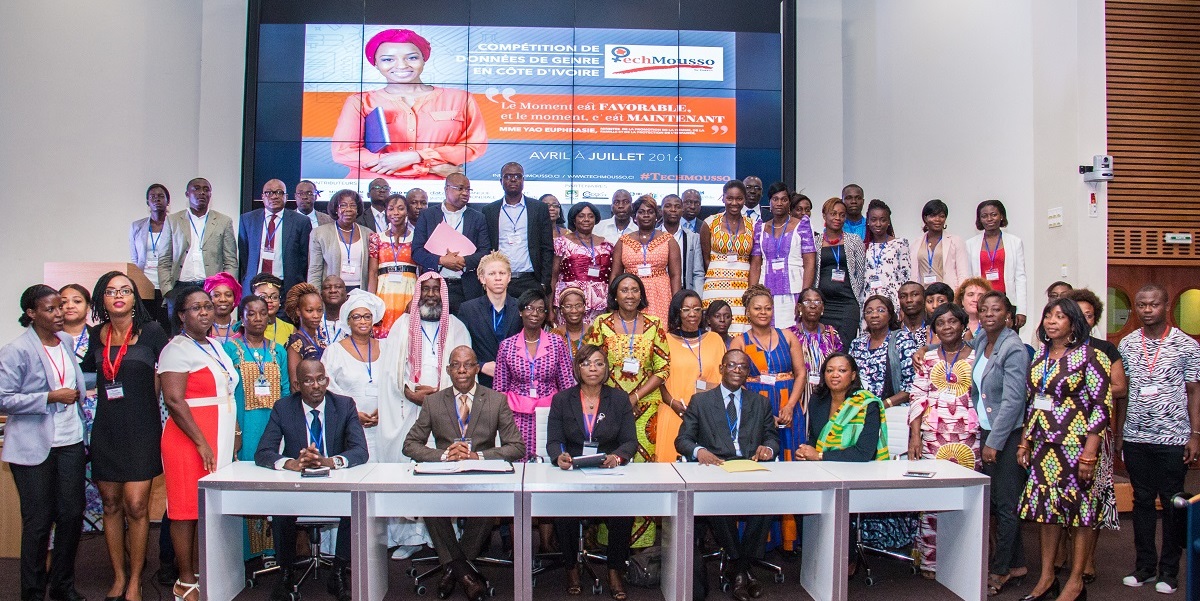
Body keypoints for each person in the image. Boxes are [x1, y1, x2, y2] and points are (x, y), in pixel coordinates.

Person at [403, 346, 524, 601]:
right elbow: (410, 444)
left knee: (489, 503)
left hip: (482, 476)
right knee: (428, 503)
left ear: (477, 368)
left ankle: (453, 569)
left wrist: (477, 456)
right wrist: (445, 455)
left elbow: (517, 446)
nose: (461, 370)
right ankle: (465, 573)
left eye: (467, 365)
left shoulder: (495, 400)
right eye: (455, 365)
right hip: (444, 476)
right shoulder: (434, 402)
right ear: (448, 370)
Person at [1017, 298, 1113, 601]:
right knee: (1047, 511)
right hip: (1044, 446)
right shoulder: (1041, 356)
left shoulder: (1091, 356)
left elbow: (1102, 406)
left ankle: (1075, 582)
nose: (1051, 321)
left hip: (1076, 446)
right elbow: (1034, 403)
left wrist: (1090, 453)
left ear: (1074, 324)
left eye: (1060, 316)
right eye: (1048, 315)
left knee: (1080, 512)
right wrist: (1026, 440)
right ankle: (1047, 578)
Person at [82, 273, 169, 601]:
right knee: (110, 503)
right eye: (110, 291)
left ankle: (136, 577)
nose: (118, 295)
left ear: (135, 299)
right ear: (101, 299)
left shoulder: (153, 332)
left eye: (125, 290)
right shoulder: (95, 335)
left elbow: (170, 369)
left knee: (136, 504)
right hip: (106, 429)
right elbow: (88, 375)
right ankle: (118, 576)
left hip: (143, 429)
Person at [0, 285, 89, 601]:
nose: (60, 313)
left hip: (71, 442)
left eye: (61, 307)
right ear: (31, 313)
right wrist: (49, 397)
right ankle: (33, 592)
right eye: (51, 308)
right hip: (33, 448)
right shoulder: (16, 350)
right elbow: (3, 399)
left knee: (71, 515)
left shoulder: (65, 341)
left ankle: (62, 585)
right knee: (38, 523)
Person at [255, 359, 368, 601]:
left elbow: (360, 451)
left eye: (320, 379)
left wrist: (329, 461)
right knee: (280, 509)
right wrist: (292, 463)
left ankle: (338, 571)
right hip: (299, 488)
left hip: (335, 487)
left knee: (356, 505)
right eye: (308, 380)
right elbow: (263, 452)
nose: (316, 386)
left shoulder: (344, 405)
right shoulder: (283, 408)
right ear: (297, 384)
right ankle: (286, 573)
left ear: (327, 381)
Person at [675, 349, 779, 601]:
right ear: (721, 368)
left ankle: (738, 566)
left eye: (742, 367)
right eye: (731, 365)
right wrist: (699, 452)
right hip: (716, 466)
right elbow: (683, 440)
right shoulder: (701, 401)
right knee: (716, 501)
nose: (737, 370)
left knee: (769, 500)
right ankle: (742, 568)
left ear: (747, 372)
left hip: (749, 466)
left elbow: (772, 437)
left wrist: (769, 448)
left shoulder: (760, 402)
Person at [158, 286, 240, 601]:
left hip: (218, 434)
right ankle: (184, 579)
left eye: (207, 306)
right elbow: (175, 401)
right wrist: (202, 443)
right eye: (196, 308)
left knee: (210, 507)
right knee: (185, 508)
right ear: (181, 315)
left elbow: (227, 394)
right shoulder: (176, 349)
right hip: (189, 438)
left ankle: (209, 571)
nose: (204, 312)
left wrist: (232, 434)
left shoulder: (217, 346)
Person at [1117, 284, 1200, 594]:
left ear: (1166, 307)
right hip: (1136, 436)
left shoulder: (1186, 345)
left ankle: (1170, 570)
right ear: (1136, 309)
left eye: (1153, 304)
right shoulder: (1126, 344)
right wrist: (1120, 432)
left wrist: (1195, 434)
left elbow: (1194, 392)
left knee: (1171, 502)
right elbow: (1121, 394)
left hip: (1174, 437)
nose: (1147, 309)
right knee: (1141, 501)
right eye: (1141, 305)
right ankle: (1145, 567)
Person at [584, 273, 670, 549]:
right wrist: (619, 401)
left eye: (635, 290)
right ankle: (609, 542)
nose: (630, 295)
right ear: (615, 295)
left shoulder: (655, 324)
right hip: (608, 408)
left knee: (643, 472)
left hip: (646, 410)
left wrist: (634, 397)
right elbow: (589, 363)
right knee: (611, 467)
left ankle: (644, 545)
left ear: (641, 294)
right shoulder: (601, 324)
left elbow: (663, 368)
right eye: (624, 290)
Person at [331, 28, 486, 179]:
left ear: (424, 59)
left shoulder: (461, 99)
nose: (401, 65)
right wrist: (427, 167)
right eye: (388, 59)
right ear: (376, 64)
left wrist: (417, 156)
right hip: (374, 190)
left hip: (438, 194)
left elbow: (473, 147)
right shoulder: (360, 102)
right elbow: (344, 151)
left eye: (412, 58)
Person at [547, 343, 638, 599]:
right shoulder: (562, 399)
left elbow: (630, 442)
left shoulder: (619, 399)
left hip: (608, 472)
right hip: (573, 472)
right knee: (563, 509)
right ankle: (571, 568)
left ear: (607, 368)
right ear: (577, 368)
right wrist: (559, 457)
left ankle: (614, 570)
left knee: (623, 510)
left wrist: (617, 457)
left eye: (599, 363)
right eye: (586, 363)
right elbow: (553, 442)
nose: (593, 368)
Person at [796, 352, 889, 577]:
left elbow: (864, 453)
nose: (835, 375)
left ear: (853, 375)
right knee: (799, 499)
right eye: (829, 370)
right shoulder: (818, 400)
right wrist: (804, 451)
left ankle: (845, 556)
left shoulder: (866, 404)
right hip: (821, 469)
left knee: (838, 502)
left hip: (856, 471)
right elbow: (816, 438)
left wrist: (818, 456)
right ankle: (815, 553)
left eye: (842, 370)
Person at [907, 302, 978, 578]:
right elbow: (917, 396)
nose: (947, 327)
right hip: (932, 437)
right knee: (933, 498)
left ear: (963, 325)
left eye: (952, 322)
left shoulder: (978, 356)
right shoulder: (927, 358)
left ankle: (964, 559)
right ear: (933, 329)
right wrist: (914, 436)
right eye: (940, 323)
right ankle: (930, 561)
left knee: (966, 498)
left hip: (968, 439)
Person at [970, 291, 1031, 596]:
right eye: (984, 309)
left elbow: (1013, 401)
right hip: (986, 430)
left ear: (1008, 315)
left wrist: (994, 441)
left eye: (996, 309)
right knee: (995, 502)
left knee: (1007, 506)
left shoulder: (1014, 348)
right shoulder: (983, 341)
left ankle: (1001, 569)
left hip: (1006, 435)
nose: (989, 314)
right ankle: (1018, 563)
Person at [223, 294, 289, 566]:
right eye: (252, 313)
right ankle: (248, 553)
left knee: (273, 485)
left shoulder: (278, 351)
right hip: (244, 428)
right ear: (242, 317)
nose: (258, 318)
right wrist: (234, 429)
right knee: (248, 485)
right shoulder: (230, 349)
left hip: (273, 429)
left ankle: (273, 551)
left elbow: (285, 389)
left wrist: (287, 427)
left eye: (263, 313)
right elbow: (226, 391)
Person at [1063, 288, 1124, 582]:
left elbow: (1120, 387)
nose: (1083, 319)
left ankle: (1087, 559)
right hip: (1061, 433)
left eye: (1089, 314)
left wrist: (1081, 391)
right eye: (1077, 313)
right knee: (1063, 495)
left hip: (1094, 433)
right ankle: (1064, 553)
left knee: (1092, 496)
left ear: (1094, 318)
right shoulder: (1057, 348)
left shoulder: (1104, 349)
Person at [380, 273, 471, 465]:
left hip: (446, 404)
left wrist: (439, 397)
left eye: (436, 289)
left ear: (443, 294)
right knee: (406, 459)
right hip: (408, 403)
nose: (431, 294)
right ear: (417, 293)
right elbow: (389, 370)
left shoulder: (457, 327)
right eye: (425, 289)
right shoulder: (401, 326)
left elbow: (466, 372)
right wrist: (410, 393)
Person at [494, 289, 577, 461]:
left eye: (541, 309)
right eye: (530, 308)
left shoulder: (556, 342)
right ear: (520, 311)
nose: (535, 314)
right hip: (515, 416)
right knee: (518, 461)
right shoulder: (506, 346)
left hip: (550, 414)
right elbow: (499, 389)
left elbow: (567, 382)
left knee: (548, 460)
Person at [730, 285, 809, 458]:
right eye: (757, 308)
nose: (763, 312)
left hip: (788, 404)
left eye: (768, 308)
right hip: (755, 407)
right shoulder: (740, 342)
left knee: (793, 453)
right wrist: (762, 414)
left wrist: (790, 406)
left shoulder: (788, 336)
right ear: (747, 312)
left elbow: (801, 373)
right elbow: (734, 382)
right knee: (760, 454)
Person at [657, 290, 725, 462]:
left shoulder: (715, 339)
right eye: (686, 309)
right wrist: (673, 403)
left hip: (708, 416)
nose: (692, 314)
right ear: (677, 312)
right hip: (674, 412)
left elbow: (724, 379)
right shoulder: (664, 340)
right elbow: (657, 379)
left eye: (697, 309)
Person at [159, 178, 238, 319]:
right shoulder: (173, 220)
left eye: (206, 189)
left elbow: (231, 260)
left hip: (211, 287)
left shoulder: (223, 221)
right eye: (196, 188)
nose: (202, 192)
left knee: (210, 331)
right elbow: (164, 259)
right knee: (179, 333)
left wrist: (226, 288)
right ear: (187, 194)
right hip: (179, 287)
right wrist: (167, 291)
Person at [411, 173, 491, 313]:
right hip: (434, 286)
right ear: (447, 189)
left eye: (468, 189)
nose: (465, 193)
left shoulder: (478, 217)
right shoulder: (428, 215)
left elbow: (485, 252)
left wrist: (463, 261)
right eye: (460, 188)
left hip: (466, 288)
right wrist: (441, 260)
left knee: (465, 332)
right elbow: (416, 252)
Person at [322, 290, 387, 456]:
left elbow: (395, 384)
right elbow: (327, 388)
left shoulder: (386, 347)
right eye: (357, 317)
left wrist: (386, 409)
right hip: (347, 426)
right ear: (348, 321)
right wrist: (351, 414)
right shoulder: (334, 351)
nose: (363, 321)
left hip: (382, 428)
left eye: (367, 316)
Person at [748, 182, 816, 328]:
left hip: (794, 292)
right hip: (766, 293)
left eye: (784, 199)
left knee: (793, 337)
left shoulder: (802, 225)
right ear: (769, 203)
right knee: (766, 335)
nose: (779, 203)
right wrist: (751, 296)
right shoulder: (760, 227)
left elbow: (810, 262)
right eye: (775, 199)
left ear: (789, 203)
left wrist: (804, 298)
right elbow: (755, 264)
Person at [483, 162, 554, 299]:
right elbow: (485, 248)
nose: (513, 179)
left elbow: (547, 248)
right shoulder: (489, 211)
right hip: (499, 279)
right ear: (501, 181)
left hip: (530, 279)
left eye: (518, 176)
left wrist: (544, 282)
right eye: (508, 176)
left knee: (531, 320)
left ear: (523, 180)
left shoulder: (538, 208)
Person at [611, 195, 681, 323]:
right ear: (635, 217)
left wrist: (676, 302)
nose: (646, 215)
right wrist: (612, 300)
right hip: (630, 293)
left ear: (656, 215)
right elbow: (616, 273)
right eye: (641, 212)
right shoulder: (623, 241)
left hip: (660, 293)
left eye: (650, 212)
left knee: (659, 332)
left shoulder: (668, 240)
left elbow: (675, 275)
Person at [238, 179, 312, 297]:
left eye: (279, 192)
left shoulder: (300, 221)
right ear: (262, 197)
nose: (274, 196)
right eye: (269, 193)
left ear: (286, 197)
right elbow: (244, 255)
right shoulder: (247, 219)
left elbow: (304, 258)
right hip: (255, 286)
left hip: (287, 286)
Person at [458, 252, 521, 389]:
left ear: (509, 277)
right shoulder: (468, 309)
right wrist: (479, 365)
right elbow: (460, 347)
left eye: (502, 273)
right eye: (492, 274)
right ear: (482, 278)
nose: (498, 278)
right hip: (480, 381)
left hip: (516, 382)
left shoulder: (521, 308)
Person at [848, 295, 920, 412]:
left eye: (881, 310)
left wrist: (882, 405)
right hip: (861, 411)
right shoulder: (857, 344)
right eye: (869, 312)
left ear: (890, 315)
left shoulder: (902, 339)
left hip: (894, 411)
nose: (874, 315)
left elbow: (913, 385)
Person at [701, 180, 755, 334]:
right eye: (730, 198)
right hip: (715, 286)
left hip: (743, 287)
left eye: (739, 199)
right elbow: (706, 258)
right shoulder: (709, 222)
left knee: (742, 331)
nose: (734, 203)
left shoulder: (753, 224)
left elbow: (754, 259)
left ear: (744, 199)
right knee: (715, 330)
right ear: (723, 198)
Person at [814, 197, 866, 351]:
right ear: (824, 215)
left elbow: (860, 272)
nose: (838, 218)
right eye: (833, 213)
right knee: (824, 348)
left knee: (843, 348)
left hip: (847, 304)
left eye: (842, 215)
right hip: (824, 306)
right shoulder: (815, 242)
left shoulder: (854, 241)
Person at [966, 200, 1028, 329]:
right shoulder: (970, 244)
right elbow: (969, 278)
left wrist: (1022, 310)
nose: (989, 219)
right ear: (980, 220)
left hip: (1007, 300)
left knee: (1007, 341)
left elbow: (1020, 277)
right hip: (981, 302)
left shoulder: (1014, 242)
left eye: (993, 214)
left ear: (1002, 216)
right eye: (984, 216)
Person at [552, 202, 614, 324]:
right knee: (570, 340)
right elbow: (553, 276)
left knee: (595, 340)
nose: (586, 219)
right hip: (570, 304)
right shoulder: (562, 242)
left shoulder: (607, 245)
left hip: (599, 304)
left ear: (596, 219)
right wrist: (549, 308)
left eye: (590, 216)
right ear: (574, 219)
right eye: (581, 216)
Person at [367, 192, 417, 336]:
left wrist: (416, 298)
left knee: (406, 335)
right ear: (386, 212)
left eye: (400, 208)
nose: (396, 213)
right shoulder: (376, 238)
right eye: (391, 209)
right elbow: (373, 272)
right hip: (384, 292)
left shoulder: (416, 237)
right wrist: (371, 301)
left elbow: (422, 271)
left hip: (408, 292)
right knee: (383, 335)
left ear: (407, 211)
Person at [309, 189, 373, 291]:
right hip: (332, 293)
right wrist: (315, 296)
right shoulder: (319, 234)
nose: (348, 209)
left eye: (353, 205)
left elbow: (372, 271)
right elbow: (315, 270)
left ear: (357, 210)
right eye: (343, 205)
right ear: (335, 209)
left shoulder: (368, 234)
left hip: (360, 293)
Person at [130, 183, 173, 330]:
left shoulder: (175, 225)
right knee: (143, 324)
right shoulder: (137, 226)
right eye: (152, 197)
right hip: (144, 281)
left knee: (165, 324)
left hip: (166, 281)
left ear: (168, 201)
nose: (157, 199)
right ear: (147, 202)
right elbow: (135, 258)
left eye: (161, 196)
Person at [789, 288, 845, 393]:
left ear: (822, 307)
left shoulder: (832, 334)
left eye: (817, 302)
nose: (813, 305)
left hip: (826, 393)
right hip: (797, 393)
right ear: (800, 307)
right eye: (807, 301)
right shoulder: (790, 335)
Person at [862, 199, 911, 314]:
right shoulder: (863, 246)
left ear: (888, 221)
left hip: (893, 300)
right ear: (868, 221)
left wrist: (904, 307)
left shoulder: (900, 244)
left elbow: (906, 277)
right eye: (873, 220)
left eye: (883, 220)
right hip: (868, 300)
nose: (878, 224)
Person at [909, 199, 969, 290]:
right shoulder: (916, 243)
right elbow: (913, 273)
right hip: (924, 294)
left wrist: (960, 295)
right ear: (925, 218)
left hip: (948, 293)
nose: (937, 219)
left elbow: (963, 273)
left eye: (941, 216)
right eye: (933, 216)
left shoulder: (955, 241)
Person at [660, 194, 706, 293]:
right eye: (668, 206)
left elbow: (698, 273)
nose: (673, 210)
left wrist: (697, 297)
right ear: (661, 210)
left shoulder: (693, 237)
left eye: (677, 207)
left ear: (682, 210)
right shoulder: (653, 236)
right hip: (658, 290)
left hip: (684, 291)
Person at [284, 282, 328, 382]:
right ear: (298, 311)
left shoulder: (323, 337)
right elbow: (295, 383)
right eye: (309, 310)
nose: (316, 315)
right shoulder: (295, 343)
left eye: (319, 310)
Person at [249, 273, 295, 346]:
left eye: (274, 297)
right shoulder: (244, 327)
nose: (269, 301)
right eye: (263, 297)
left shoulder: (290, 330)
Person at [204, 272, 242, 344]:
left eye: (228, 295)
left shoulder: (242, 328)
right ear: (209, 299)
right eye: (217, 295)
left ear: (234, 299)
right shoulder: (202, 328)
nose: (223, 299)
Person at [552, 287, 589, 357]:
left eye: (579, 305)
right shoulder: (554, 335)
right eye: (568, 306)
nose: (574, 311)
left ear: (584, 308)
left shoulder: (594, 332)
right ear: (561, 310)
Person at [680, 188, 713, 264]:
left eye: (697, 203)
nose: (692, 206)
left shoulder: (706, 227)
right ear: (681, 203)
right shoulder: (673, 226)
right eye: (688, 202)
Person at [321, 275, 349, 344]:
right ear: (321, 295)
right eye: (327, 287)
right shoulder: (315, 323)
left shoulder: (353, 324)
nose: (333, 290)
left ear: (346, 294)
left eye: (338, 287)